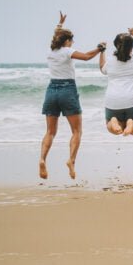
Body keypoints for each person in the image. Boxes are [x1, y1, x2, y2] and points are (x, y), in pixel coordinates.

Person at [40, 11, 104, 180]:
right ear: (67, 41)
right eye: (71, 40)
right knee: (76, 131)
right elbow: (87, 57)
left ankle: (42, 159)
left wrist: (59, 24)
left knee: (50, 132)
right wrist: (100, 48)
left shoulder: (50, 51)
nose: (72, 43)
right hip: (67, 90)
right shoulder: (68, 51)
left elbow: (55, 38)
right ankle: (71, 161)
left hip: (51, 90)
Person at [99, 28, 133, 137]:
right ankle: (131, 123)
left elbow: (102, 68)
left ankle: (114, 122)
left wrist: (102, 52)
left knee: (109, 125)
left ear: (116, 46)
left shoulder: (110, 61)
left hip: (114, 100)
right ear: (131, 48)